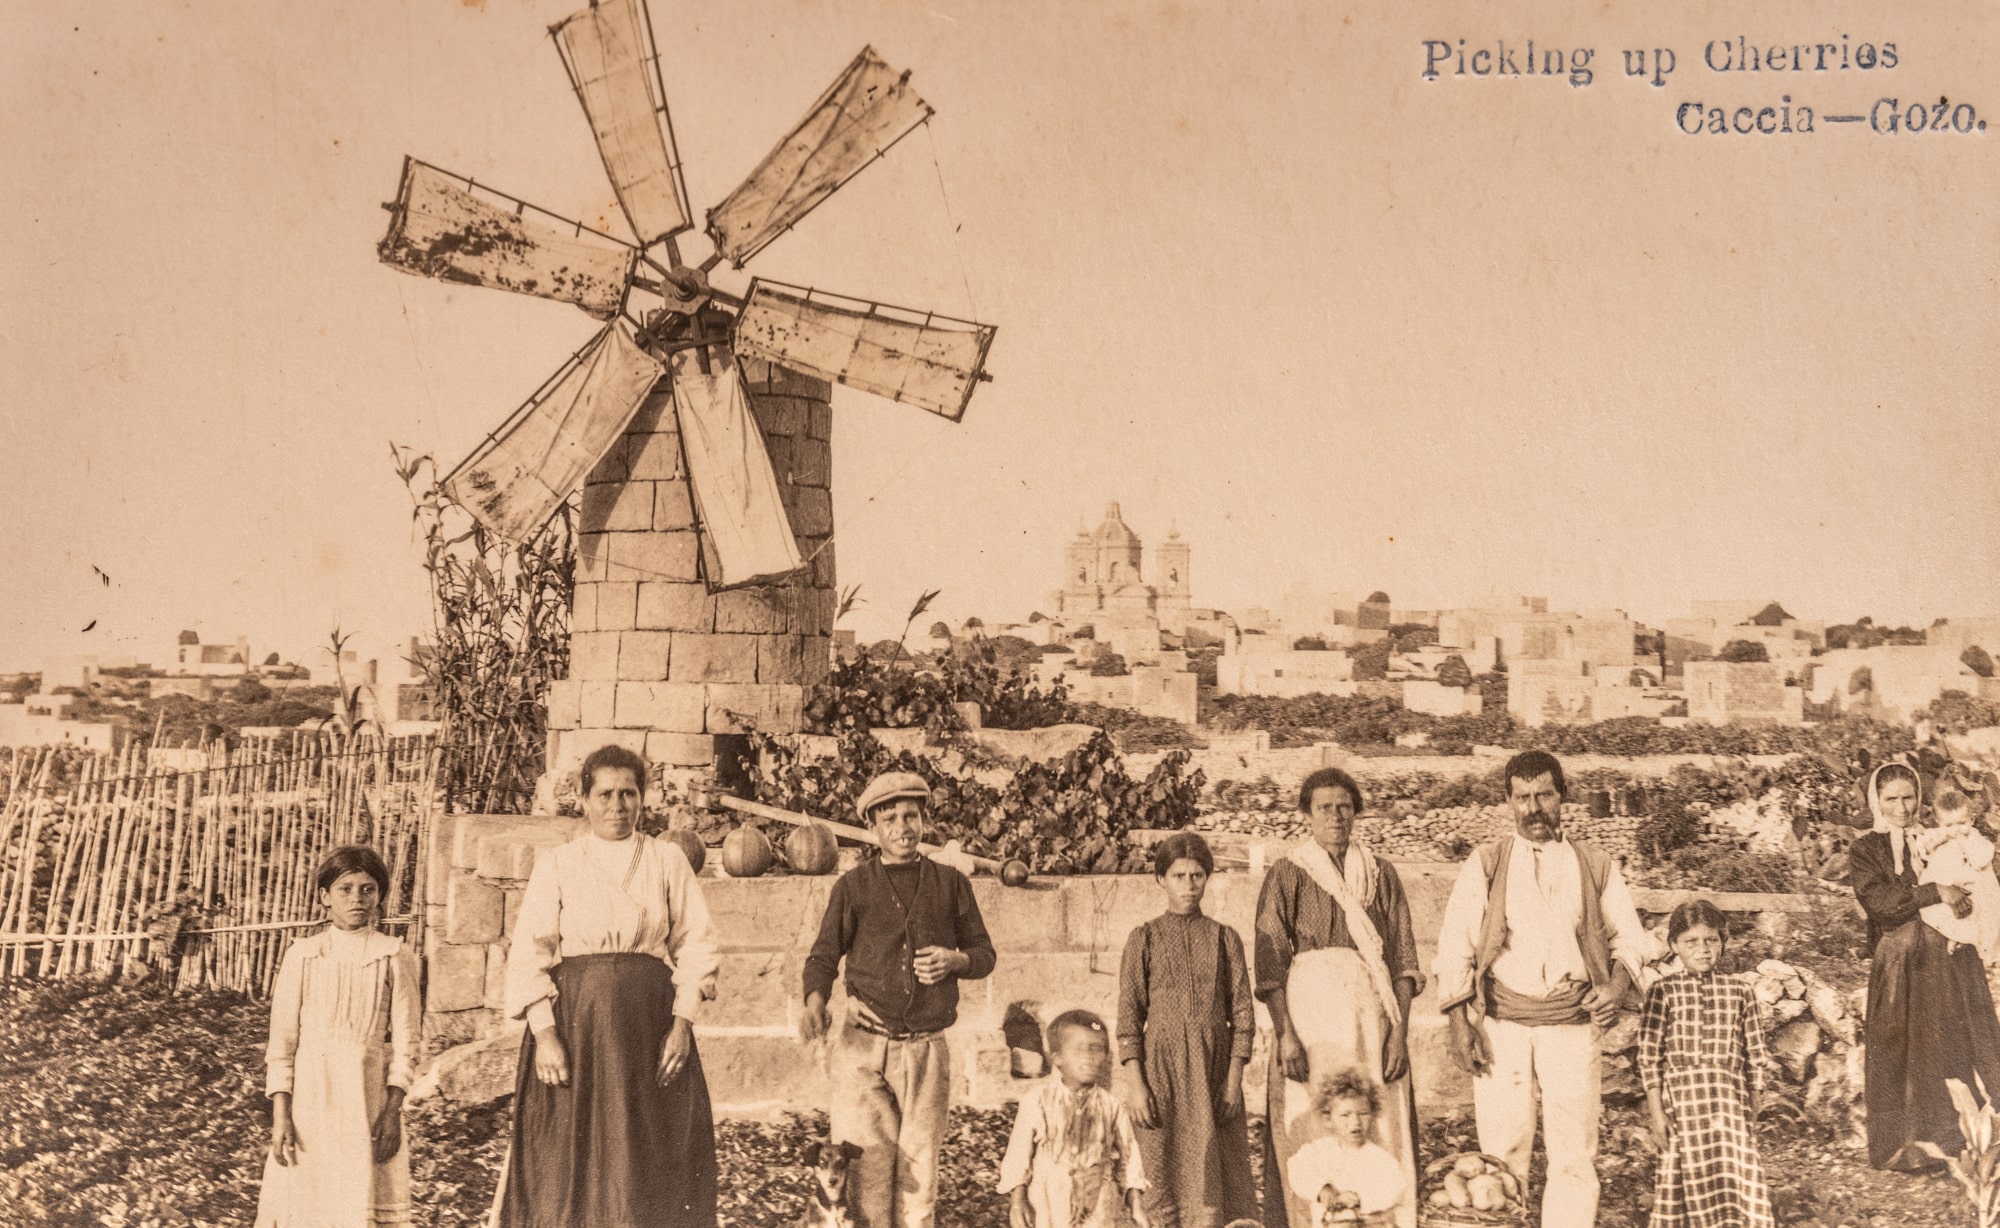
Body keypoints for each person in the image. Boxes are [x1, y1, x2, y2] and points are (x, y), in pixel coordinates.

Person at [498, 744, 721, 1227]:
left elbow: (696, 943)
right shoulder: (560, 863)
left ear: (644, 798)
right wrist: (545, 1035)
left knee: (649, 1150)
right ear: (584, 798)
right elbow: (529, 953)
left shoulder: (666, 860)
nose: (617, 806)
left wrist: (683, 1023)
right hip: (577, 1027)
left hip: (649, 1026)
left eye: (628, 794)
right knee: (566, 1156)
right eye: (605, 794)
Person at [1433, 749, 1650, 1228]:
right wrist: (1459, 1024)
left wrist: (1613, 989)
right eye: (1522, 797)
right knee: (1502, 1154)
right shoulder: (1487, 864)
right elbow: (1455, 949)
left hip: (1572, 1027)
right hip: (1501, 1027)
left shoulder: (1594, 865)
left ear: (1563, 797)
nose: (1533, 808)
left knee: (1574, 1155)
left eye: (1544, 795)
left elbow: (1631, 938)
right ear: (1509, 802)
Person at [800, 770, 998, 1228]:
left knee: (919, 1173)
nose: (902, 827)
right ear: (873, 828)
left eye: (911, 816)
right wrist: (815, 1001)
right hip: (862, 1049)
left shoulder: (950, 883)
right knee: (867, 1171)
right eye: (889, 819)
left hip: (925, 1049)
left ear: (924, 820)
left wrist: (956, 960)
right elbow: (824, 954)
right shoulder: (853, 887)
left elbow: (985, 955)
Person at [1255, 767, 1423, 1228]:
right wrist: (1287, 1036)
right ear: (1307, 814)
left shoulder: (1380, 874)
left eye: (1344, 806)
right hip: (1311, 1017)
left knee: (1377, 1117)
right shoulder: (1288, 873)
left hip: (1372, 1013)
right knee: (1313, 1120)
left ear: (1357, 812)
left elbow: (1404, 962)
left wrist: (1398, 1035)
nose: (1335, 816)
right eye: (1324, 807)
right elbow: (1270, 969)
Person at [255, 845, 419, 1228]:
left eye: (367, 889)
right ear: (325, 897)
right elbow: (282, 1044)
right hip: (311, 1104)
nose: (357, 899)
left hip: (367, 1101)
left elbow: (409, 1042)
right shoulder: (305, 954)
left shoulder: (395, 955)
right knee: (307, 1199)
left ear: (380, 896)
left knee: (358, 1200)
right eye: (345, 889)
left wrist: (392, 1112)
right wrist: (281, 1116)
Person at [1850, 759, 2000, 1171]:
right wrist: (1936, 890)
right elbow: (1880, 904)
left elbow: (1976, 882)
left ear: (1920, 797)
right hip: (1900, 963)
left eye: (1909, 797)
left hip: (1950, 958)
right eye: (1891, 799)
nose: (1901, 807)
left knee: (1957, 1042)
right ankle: (1906, 1147)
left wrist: (1963, 896)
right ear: (1876, 802)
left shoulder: (1940, 837)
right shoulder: (1866, 849)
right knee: (1903, 1050)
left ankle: (1962, 1140)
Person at [1116, 832, 1257, 1228]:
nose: (1189, 885)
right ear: (1161, 878)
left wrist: (1233, 1081)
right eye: (1179, 876)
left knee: (1214, 1168)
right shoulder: (1143, 939)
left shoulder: (1224, 938)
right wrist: (1137, 1085)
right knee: (1159, 1165)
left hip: (1213, 1071)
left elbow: (1243, 1015)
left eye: (1197, 875)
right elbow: (1128, 1017)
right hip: (1161, 1073)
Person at [1638, 900, 1774, 1228]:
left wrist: (1753, 1103)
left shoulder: (1740, 992)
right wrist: (1657, 1113)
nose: (1703, 950)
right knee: (1684, 1177)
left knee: (1736, 1178)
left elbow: (1755, 1054)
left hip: (1730, 1104)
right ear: (1674, 946)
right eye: (1691, 942)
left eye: (1711, 940)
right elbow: (1649, 1057)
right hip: (1683, 1106)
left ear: (1722, 941)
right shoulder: (1662, 992)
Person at [1000, 1009, 1152, 1228]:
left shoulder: (1111, 1106)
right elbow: (1018, 1153)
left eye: (1097, 1049)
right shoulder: (1038, 1100)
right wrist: (1017, 1200)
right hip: (1049, 1199)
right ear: (1057, 1057)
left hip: (1097, 1202)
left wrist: (1136, 1205)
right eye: (1079, 1049)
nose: (1089, 1057)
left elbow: (1129, 1156)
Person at [1283, 1071, 1408, 1228]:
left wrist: (1360, 1199)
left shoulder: (1379, 1158)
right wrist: (1321, 1189)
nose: (1355, 1122)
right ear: (1328, 1119)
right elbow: (1297, 1169)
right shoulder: (1318, 1151)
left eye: (1363, 1114)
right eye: (1345, 1115)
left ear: (1372, 1115)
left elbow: (1395, 1188)